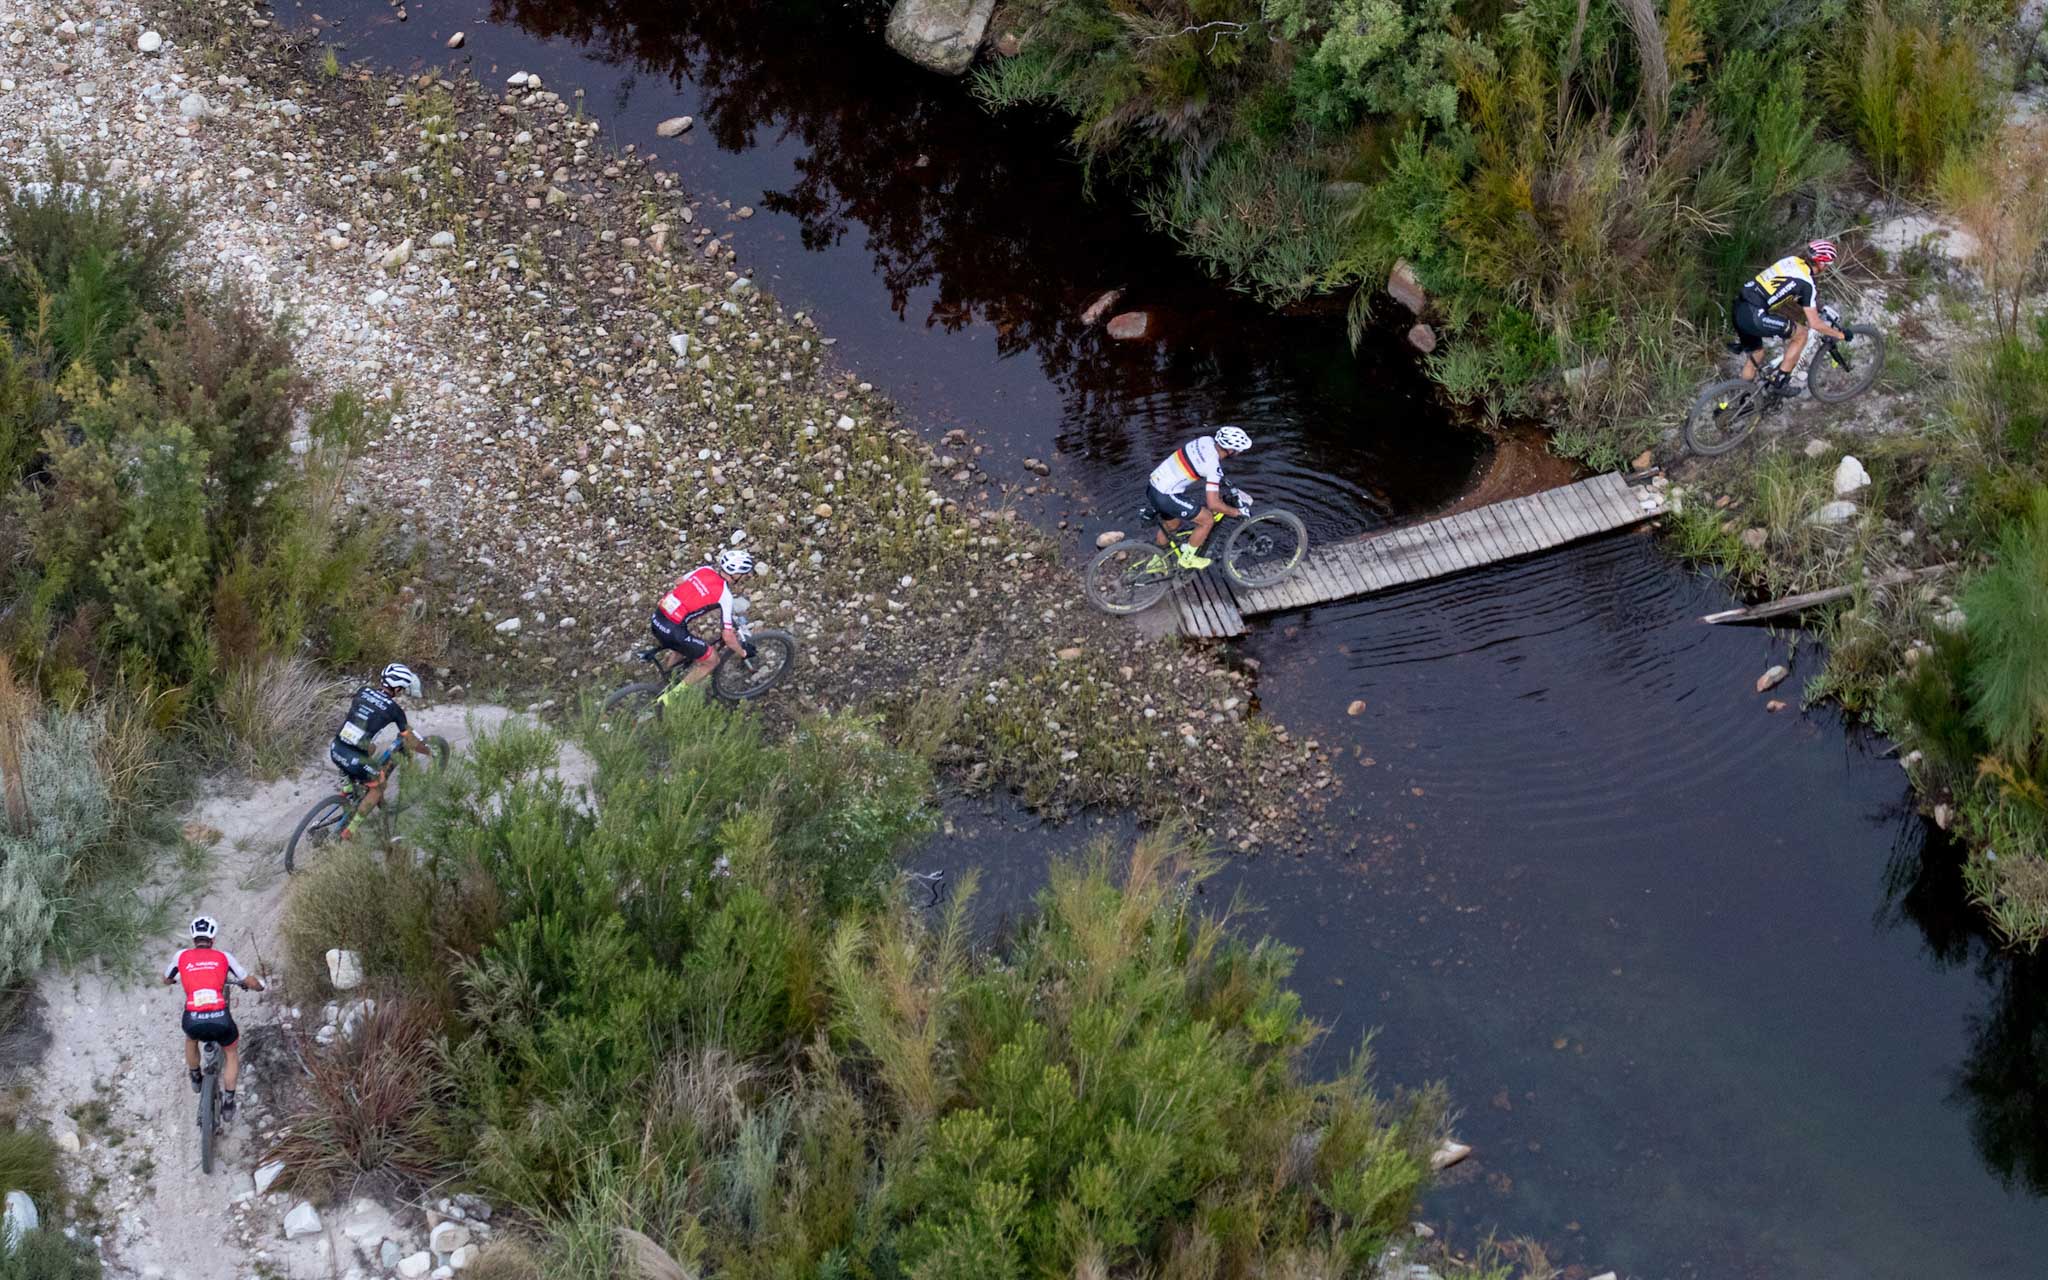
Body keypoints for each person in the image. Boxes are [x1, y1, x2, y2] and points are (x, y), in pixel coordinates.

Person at [164, 915, 265, 1124]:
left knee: (191, 1039)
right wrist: (260, 986)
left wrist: (174, 980)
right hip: (220, 1017)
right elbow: (247, 979)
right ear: (213, 938)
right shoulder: (224, 957)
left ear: (193, 937)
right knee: (230, 1052)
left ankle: (195, 1075)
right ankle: (228, 1101)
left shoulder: (181, 956)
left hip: (193, 1018)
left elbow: (166, 978)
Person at [328, 663, 434, 839]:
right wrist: (428, 751)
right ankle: (349, 831)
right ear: (398, 688)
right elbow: (410, 740)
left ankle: (347, 787)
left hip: (335, 747)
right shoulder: (395, 710)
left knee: (371, 747)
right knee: (379, 786)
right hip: (354, 759)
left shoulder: (363, 691)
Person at [1731, 240, 1849, 395]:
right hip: (1755, 316)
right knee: (1802, 334)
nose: (1827, 268)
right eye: (1828, 264)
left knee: (1757, 354)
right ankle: (1779, 384)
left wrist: (1815, 306)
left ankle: (1741, 399)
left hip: (1739, 307)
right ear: (1821, 263)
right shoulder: (1807, 283)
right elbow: (1815, 324)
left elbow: (1786, 288)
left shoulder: (1791, 261)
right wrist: (1841, 335)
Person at [1146, 426, 1253, 570]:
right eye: (1238, 450)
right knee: (1207, 519)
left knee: (1171, 525)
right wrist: (1237, 513)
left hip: (1153, 486)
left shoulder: (1205, 441)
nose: (1239, 452)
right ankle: (1188, 559)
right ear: (1230, 450)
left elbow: (1200, 464)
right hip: (1166, 495)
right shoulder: (1212, 466)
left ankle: (1156, 560)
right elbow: (1213, 504)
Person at [650, 549, 754, 686]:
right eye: (745, 574)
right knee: (713, 660)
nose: (747, 577)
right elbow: (728, 637)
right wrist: (743, 652)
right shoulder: (725, 596)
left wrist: (697, 596)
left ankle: (664, 682)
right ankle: (673, 697)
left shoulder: (706, 569)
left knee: (681, 647)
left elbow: (679, 581)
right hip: (672, 631)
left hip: (657, 617)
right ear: (736, 574)